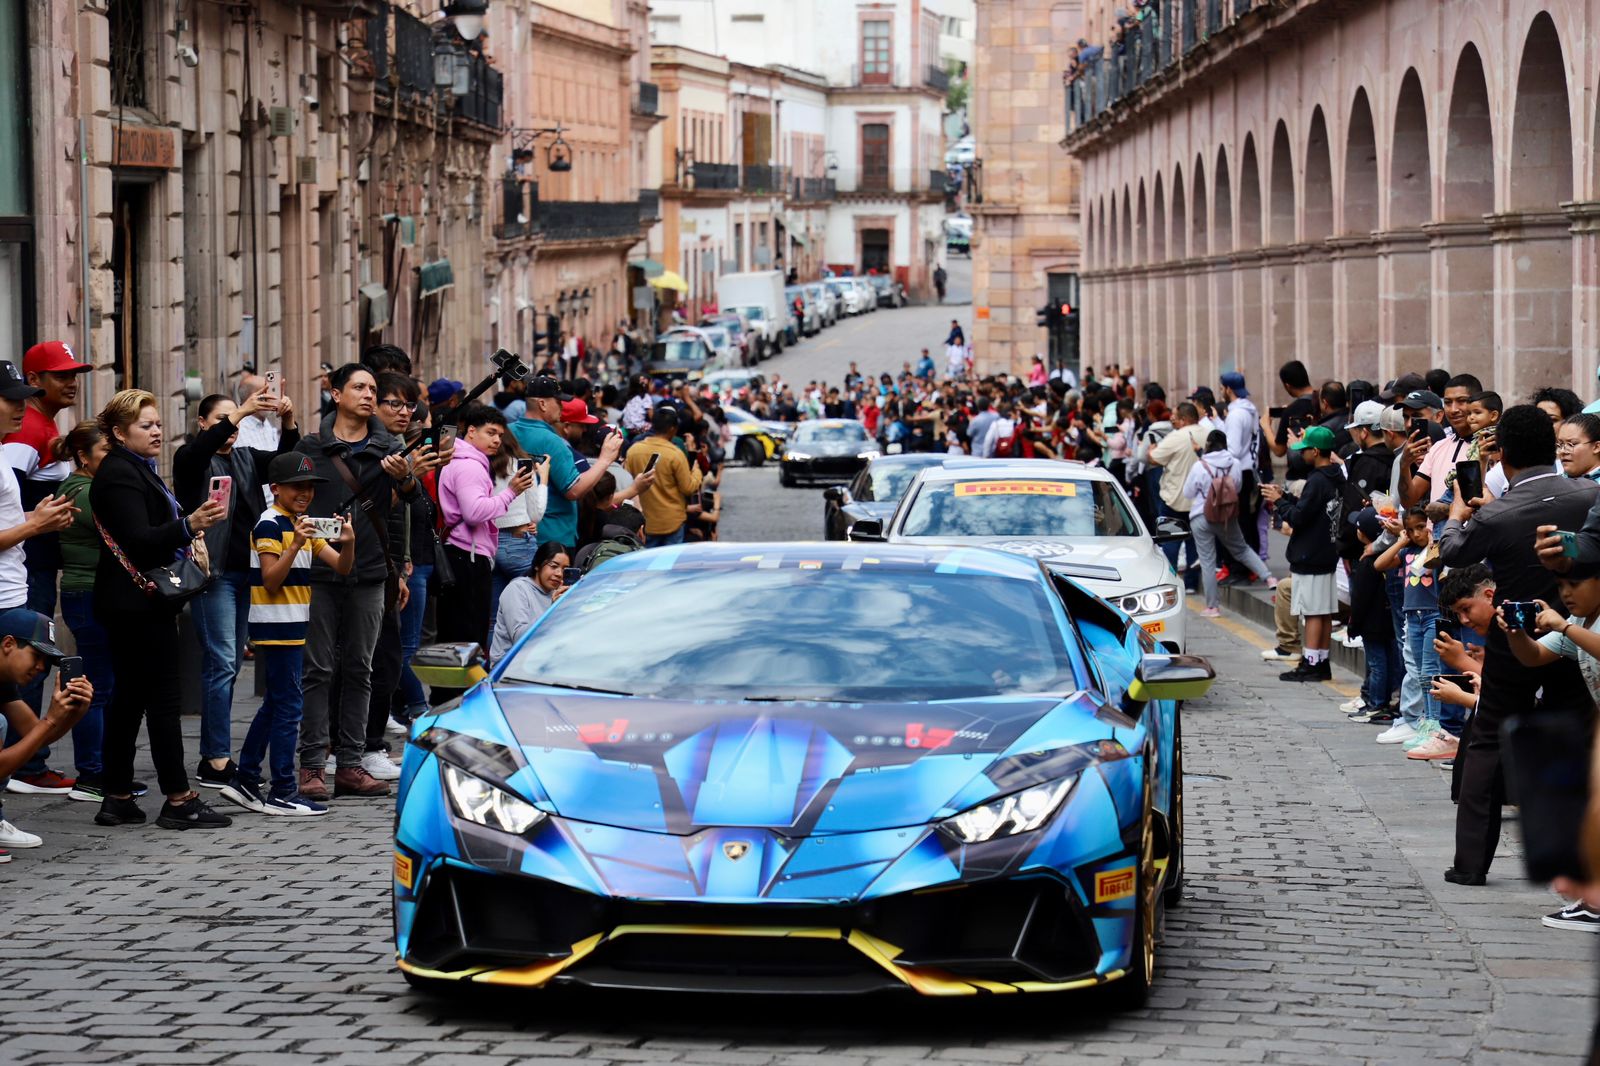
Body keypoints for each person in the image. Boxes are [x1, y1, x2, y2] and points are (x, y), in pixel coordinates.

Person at [1438, 404, 1597, 885]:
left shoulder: (1499, 513)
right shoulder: (1589, 494)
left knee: (1487, 740)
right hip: (1575, 632)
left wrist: (1457, 514)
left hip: (1516, 633)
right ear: (1553, 448)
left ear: (1501, 454)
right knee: (1577, 743)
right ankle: (1578, 869)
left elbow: (1451, 553)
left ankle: (1470, 865)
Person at [91, 388, 231, 831]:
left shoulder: (135, 468)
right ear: (118, 432)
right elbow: (139, 538)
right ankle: (179, 798)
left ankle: (116, 797)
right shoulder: (118, 474)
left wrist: (187, 522)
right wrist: (190, 524)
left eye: (157, 423)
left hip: (135, 602)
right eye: (146, 425)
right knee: (163, 701)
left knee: (130, 699)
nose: (156, 431)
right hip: (137, 603)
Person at [292, 364, 417, 802]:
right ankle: (311, 764)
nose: (368, 395)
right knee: (318, 669)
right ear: (335, 393)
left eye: (372, 389)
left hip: (369, 571)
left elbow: (412, 506)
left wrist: (404, 477)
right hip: (320, 572)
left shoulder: (389, 446)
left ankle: (349, 764)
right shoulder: (312, 447)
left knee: (362, 669)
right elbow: (291, 499)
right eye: (359, 388)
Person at [173, 386, 300, 788]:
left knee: (226, 665)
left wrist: (288, 421)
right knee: (223, 662)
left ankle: (215, 755)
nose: (231, 429)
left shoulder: (244, 457)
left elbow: (285, 464)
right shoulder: (191, 458)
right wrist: (241, 409)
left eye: (238, 422)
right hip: (213, 575)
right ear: (202, 424)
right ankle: (215, 759)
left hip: (247, 575)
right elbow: (198, 453)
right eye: (222, 421)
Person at [219, 453, 355, 816]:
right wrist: (295, 543)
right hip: (275, 625)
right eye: (297, 486)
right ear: (276, 488)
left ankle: (246, 778)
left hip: (293, 624)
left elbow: (341, 566)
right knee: (289, 706)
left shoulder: (299, 523)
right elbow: (270, 578)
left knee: (277, 703)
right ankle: (281, 789)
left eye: (310, 487)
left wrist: (349, 541)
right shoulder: (269, 524)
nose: (305, 493)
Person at [0, 340, 92, 796]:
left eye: (74, 373)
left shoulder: (38, 429)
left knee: (22, 676)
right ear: (37, 382)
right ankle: (27, 764)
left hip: (28, 572)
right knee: (24, 670)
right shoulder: (21, 436)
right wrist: (37, 524)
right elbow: (14, 510)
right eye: (60, 375)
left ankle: (29, 759)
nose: (71, 382)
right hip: (20, 577)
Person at [55, 422, 125, 803]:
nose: (112, 461)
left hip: (98, 593)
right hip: (87, 593)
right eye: (105, 453)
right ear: (83, 456)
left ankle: (105, 772)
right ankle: (92, 776)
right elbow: (119, 527)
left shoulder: (92, 487)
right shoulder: (80, 492)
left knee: (105, 685)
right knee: (94, 687)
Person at [436, 404, 536, 663]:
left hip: (465, 554)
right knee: (467, 637)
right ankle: (459, 697)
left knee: (462, 634)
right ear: (471, 431)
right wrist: (511, 492)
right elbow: (474, 512)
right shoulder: (469, 466)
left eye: (500, 435)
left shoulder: (465, 462)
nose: (497, 440)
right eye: (491, 433)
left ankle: (453, 695)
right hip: (466, 557)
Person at [0, 608, 93, 858]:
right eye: (36, 656)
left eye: (46, 661)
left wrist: (72, 713)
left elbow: (34, 735)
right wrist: (51, 720)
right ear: (8, 643)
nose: (41, 668)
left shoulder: (3, 677)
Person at [1261, 425, 1343, 682]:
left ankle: (1310, 663)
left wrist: (1279, 502)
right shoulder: (1336, 476)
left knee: (1313, 612)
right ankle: (1321, 660)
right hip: (1328, 551)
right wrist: (1284, 496)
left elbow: (1298, 517)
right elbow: (1311, 509)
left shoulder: (1317, 480)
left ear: (1315, 451)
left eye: (1305, 449)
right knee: (1324, 610)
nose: (1301, 454)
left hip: (1310, 554)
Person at [509, 377, 622, 549]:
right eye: (558, 402)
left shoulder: (508, 432)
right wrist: (605, 459)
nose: (562, 407)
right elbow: (574, 490)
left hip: (514, 533)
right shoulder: (553, 441)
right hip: (553, 538)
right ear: (542, 404)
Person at [1373, 505, 1447, 752]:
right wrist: (1400, 540)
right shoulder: (1407, 551)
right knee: (1418, 671)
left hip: (1432, 615)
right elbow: (1380, 564)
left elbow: (1436, 561)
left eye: (1420, 527)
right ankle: (1426, 723)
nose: (1416, 534)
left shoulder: (1435, 550)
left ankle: (1434, 724)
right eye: (1410, 529)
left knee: (1429, 671)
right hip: (1412, 617)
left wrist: (1432, 534)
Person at [1181, 429, 1273, 616]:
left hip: (1201, 515)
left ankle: (1212, 607)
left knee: (1207, 561)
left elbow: (1188, 492)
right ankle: (1269, 578)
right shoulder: (1235, 463)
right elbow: (1237, 487)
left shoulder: (1200, 466)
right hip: (1227, 516)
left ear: (1207, 445)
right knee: (1241, 549)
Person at [624, 405, 703, 547]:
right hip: (671, 521)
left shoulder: (633, 451)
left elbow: (628, 483)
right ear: (673, 429)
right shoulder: (675, 454)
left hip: (644, 522)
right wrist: (697, 472)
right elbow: (688, 488)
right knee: (670, 564)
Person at [489, 541, 570, 664]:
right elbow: (520, 639)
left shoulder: (558, 594)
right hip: (508, 667)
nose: (559, 574)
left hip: (542, 662)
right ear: (537, 565)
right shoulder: (517, 589)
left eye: (565, 569)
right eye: (553, 566)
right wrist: (552, 611)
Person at [1219, 371, 1265, 555]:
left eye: (1222, 388)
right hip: (1250, 469)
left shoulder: (1236, 415)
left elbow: (1233, 450)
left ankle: (1244, 565)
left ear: (1229, 389)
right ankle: (1252, 562)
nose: (1221, 391)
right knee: (1247, 521)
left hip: (1239, 472)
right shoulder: (1250, 410)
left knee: (1240, 523)